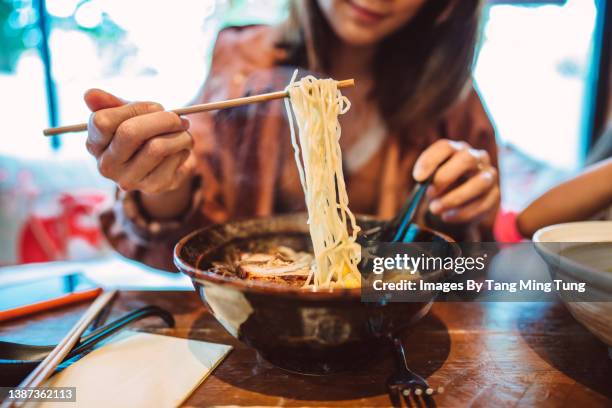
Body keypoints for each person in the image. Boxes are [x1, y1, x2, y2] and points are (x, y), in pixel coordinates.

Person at [84, 0, 500, 270]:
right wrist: (159, 178)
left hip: (391, 332)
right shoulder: (244, 64)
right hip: (255, 320)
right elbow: (191, 227)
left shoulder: (451, 96)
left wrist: (466, 207)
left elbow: (473, 265)